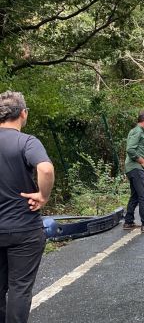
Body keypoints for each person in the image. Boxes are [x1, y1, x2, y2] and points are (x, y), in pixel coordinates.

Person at [0, 91, 55, 323]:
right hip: (24, 229)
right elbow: (45, 169)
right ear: (23, 113)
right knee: (19, 289)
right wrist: (43, 195)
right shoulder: (26, 141)